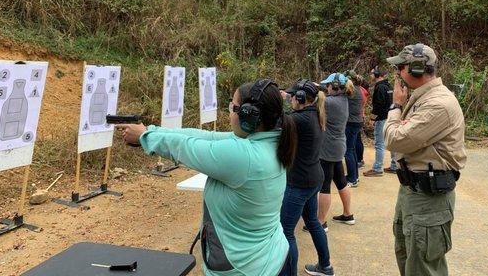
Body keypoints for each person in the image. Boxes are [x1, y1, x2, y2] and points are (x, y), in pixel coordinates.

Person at [119, 79, 297, 276]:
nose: (230, 113)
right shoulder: (269, 140)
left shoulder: (243, 156)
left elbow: (185, 147)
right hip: (273, 257)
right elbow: (205, 137)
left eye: (233, 107)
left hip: (247, 269)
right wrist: (152, 131)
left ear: (249, 115)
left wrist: (145, 137)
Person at [384, 43, 467, 276]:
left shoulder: (438, 104)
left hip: (428, 199)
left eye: (400, 67)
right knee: (409, 258)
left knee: (423, 268)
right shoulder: (423, 97)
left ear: (417, 69)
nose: (397, 73)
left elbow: (395, 139)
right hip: (414, 192)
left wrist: (396, 105)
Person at [279, 79, 335, 276]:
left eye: (294, 96)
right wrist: (287, 97)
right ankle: (325, 266)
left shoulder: (300, 119)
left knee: (285, 231)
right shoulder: (314, 115)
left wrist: (279, 101)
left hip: (299, 183)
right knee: (312, 221)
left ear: (301, 98)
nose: (291, 98)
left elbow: (278, 120)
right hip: (312, 178)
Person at [315, 73, 355, 228]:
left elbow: (312, 101)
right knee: (341, 181)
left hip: (328, 149)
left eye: (328, 85)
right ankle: (347, 214)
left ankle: (321, 222)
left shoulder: (330, 102)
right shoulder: (343, 99)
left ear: (335, 86)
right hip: (338, 147)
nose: (326, 87)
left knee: (325, 185)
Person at [363, 66, 396, 176]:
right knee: (391, 142)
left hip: (382, 119)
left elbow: (378, 105)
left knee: (379, 144)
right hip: (390, 117)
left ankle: (377, 168)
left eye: (372, 73)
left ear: (377, 74)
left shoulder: (380, 87)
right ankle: (395, 165)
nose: (371, 75)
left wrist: (372, 118)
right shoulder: (388, 86)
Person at [343, 71, 364, 187]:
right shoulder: (358, 88)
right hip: (356, 122)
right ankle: (354, 176)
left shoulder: (351, 90)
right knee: (352, 150)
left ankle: (352, 179)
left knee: (348, 151)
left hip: (351, 123)